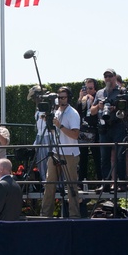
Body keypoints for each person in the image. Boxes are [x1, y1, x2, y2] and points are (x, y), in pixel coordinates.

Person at [41, 86, 82, 218]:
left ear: (68, 98)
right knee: (49, 184)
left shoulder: (73, 113)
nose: (60, 100)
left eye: (63, 97)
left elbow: (75, 135)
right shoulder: (56, 112)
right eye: (58, 97)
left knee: (71, 186)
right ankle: (45, 215)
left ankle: (74, 215)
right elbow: (54, 132)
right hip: (55, 151)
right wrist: (49, 123)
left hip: (70, 153)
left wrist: (60, 125)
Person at [90, 69, 128, 184]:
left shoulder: (122, 91)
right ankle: (105, 183)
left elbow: (127, 108)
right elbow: (91, 111)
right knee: (104, 157)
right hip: (104, 128)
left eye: (110, 76)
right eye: (105, 76)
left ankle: (122, 182)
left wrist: (115, 108)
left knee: (120, 156)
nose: (107, 78)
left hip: (118, 125)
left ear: (115, 77)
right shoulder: (100, 93)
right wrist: (99, 107)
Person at [77, 78, 100, 184]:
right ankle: (81, 182)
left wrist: (92, 101)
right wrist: (80, 98)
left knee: (97, 158)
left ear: (95, 89)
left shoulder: (97, 97)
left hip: (95, 131)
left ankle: (101, 182)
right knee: (82, 158)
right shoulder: (83, 99)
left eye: (90, 88)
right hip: (83, 131)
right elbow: (77, 113)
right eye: (86, 88)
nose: (88, 91)